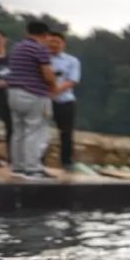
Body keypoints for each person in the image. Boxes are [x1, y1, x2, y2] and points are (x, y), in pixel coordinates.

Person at [5, 21, 57, 179]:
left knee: (18, 131)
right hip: (34, 93)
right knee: (35, 132)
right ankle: (33, 168)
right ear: (45, 35)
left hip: (14, 92)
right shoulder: (39, 49)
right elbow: (47, 73)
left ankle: (18, 166)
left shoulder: (17, 47)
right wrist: (53, 85)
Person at [47, 32, 81, 170]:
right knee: (39, 131)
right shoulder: (42, 59)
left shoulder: (72, 61)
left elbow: (72, 80)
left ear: (63, 44)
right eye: (51, 41)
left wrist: (55, 91)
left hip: (65, 101)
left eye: (57, 42)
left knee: (66, 132)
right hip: (44, 100)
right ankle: (38, 160)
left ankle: (66, 161)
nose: (54, 44)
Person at [0, 28, 12, 165]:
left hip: (10, 97)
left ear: (4, 40)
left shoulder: (13, 59)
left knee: (12, 127)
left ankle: (14, 158)